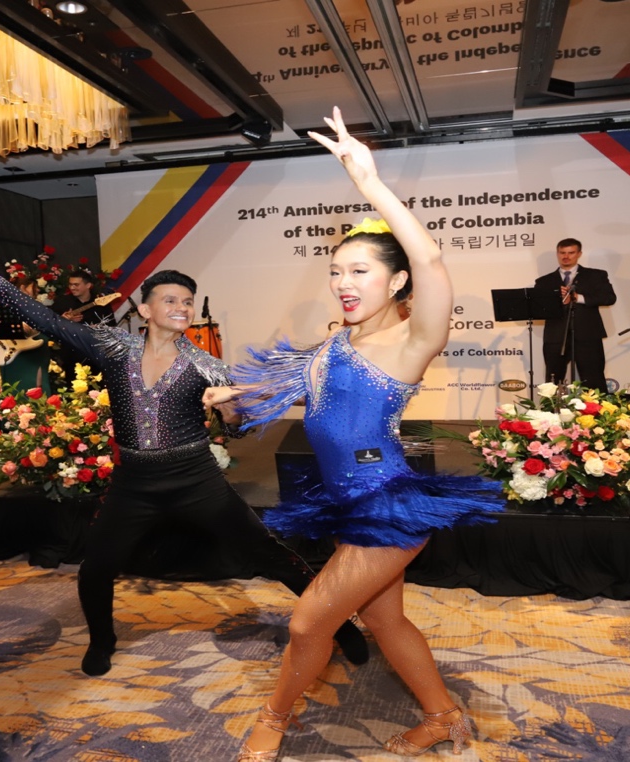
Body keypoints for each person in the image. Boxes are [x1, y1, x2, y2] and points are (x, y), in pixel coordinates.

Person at [203, 107, 504, 760]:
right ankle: (443, 715)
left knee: (310, 618)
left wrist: (367, 183)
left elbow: (427, 255)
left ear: (395, 281)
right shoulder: (335, 342)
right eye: (336, 272)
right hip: (347, 498)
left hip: (386, 505)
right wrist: (237, 395)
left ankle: (272, 721)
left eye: (359, 272)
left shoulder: (409, 339)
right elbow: (316, 401)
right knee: (384, 617)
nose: (343, 283)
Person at [0, 258, 369, 678]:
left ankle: (340, 625)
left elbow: (241, 422)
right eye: (170, 299)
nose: (182, 307)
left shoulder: (206, 366)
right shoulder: (112, 348)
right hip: (133, 484)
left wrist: (235, 409)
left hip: (196, 480)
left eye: (188, 300)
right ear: (145, 310)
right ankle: (102, 641)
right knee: (96, 566)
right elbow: (52, 322)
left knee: (270, 555)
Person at [534, 238, 617, 393]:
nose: (566, 256)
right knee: (552, 382)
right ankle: (552, 415)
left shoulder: (596, 275)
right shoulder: (544, 281)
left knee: (593, 379)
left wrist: (578, 298)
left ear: (579, 254)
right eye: (562, 253)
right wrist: (556, 301)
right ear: (557, 254)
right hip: (555, 337)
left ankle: (596, 414)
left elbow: (609, 298)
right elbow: (539, 309)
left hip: (588, 335)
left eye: (571, 253)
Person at [51, 270, 116, 326]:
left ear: (88, 285)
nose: (72, 288)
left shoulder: (102, 304)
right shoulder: (61, 301)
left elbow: (112, 326)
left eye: (76, 285)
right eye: (70, 284)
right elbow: (50, 324)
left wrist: (98, 328)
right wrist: (64, 321)